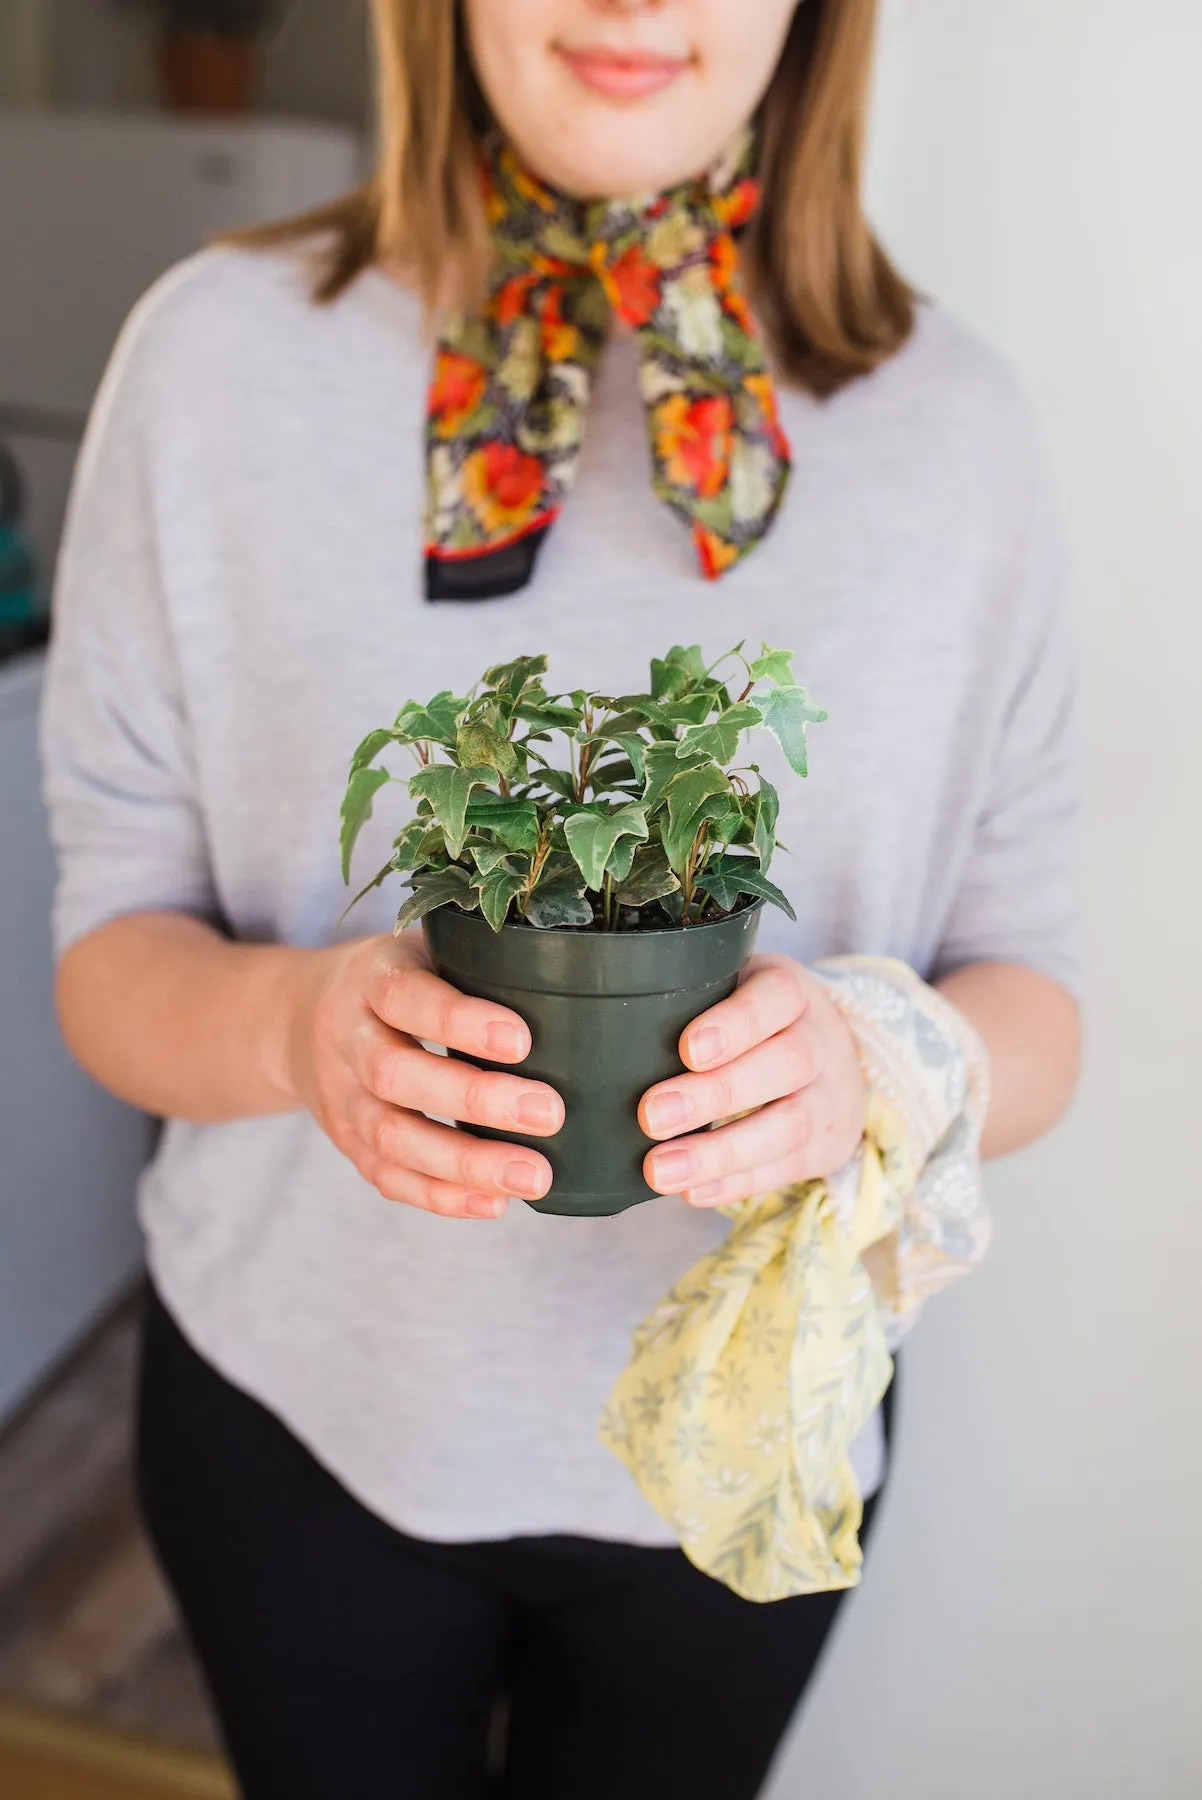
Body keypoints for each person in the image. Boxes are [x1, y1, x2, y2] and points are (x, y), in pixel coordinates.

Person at [40, 2, 1082, 1795]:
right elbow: (109, 949)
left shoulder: (961, 431)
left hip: (755, 1437)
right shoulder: (211, 358)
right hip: (292, 1416)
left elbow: (1035, 998)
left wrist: (875, 1060)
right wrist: (301, 1030)